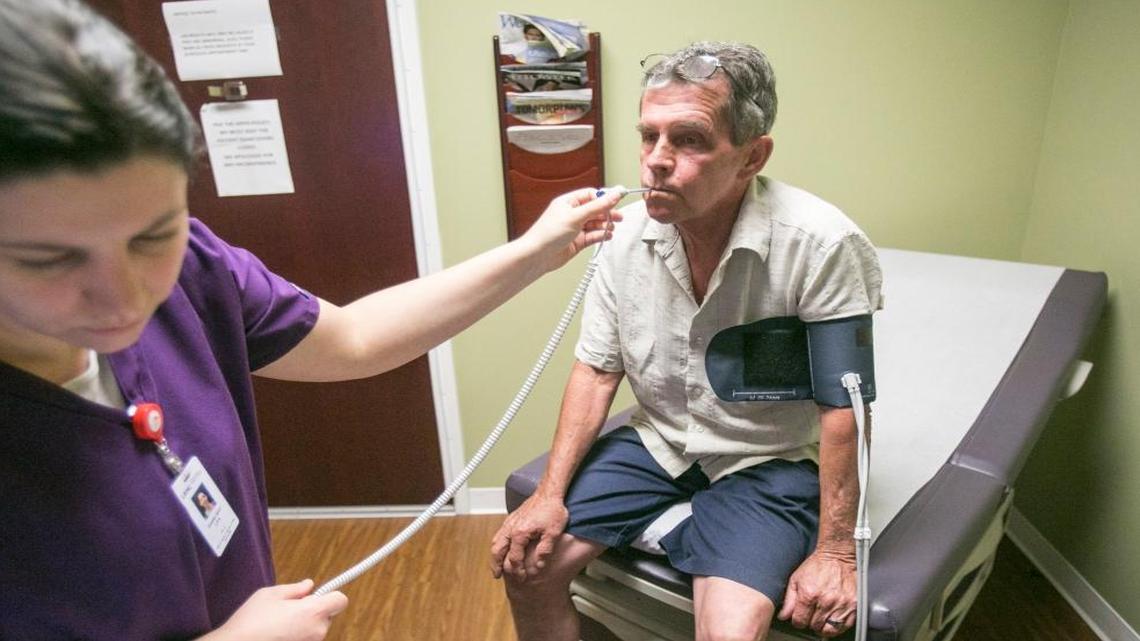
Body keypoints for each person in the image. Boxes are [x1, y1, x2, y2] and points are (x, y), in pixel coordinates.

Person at [0, 1, 624, 639]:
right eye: (50, 259)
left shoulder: (195, 268)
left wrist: (536, 251)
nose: (124, 298)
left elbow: (352, 339)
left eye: (152, 235)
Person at [490, 41, 883, 641]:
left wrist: (835, 553)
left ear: (752, 157)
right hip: (659, 441)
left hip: (768, 458)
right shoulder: (624, 237)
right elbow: (596, 372)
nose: (656, 160)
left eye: (689, 139)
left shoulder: (822, 244)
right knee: (528, 569)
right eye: (649, 136)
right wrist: (548, 494)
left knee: (729, 632)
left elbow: (843, 408)